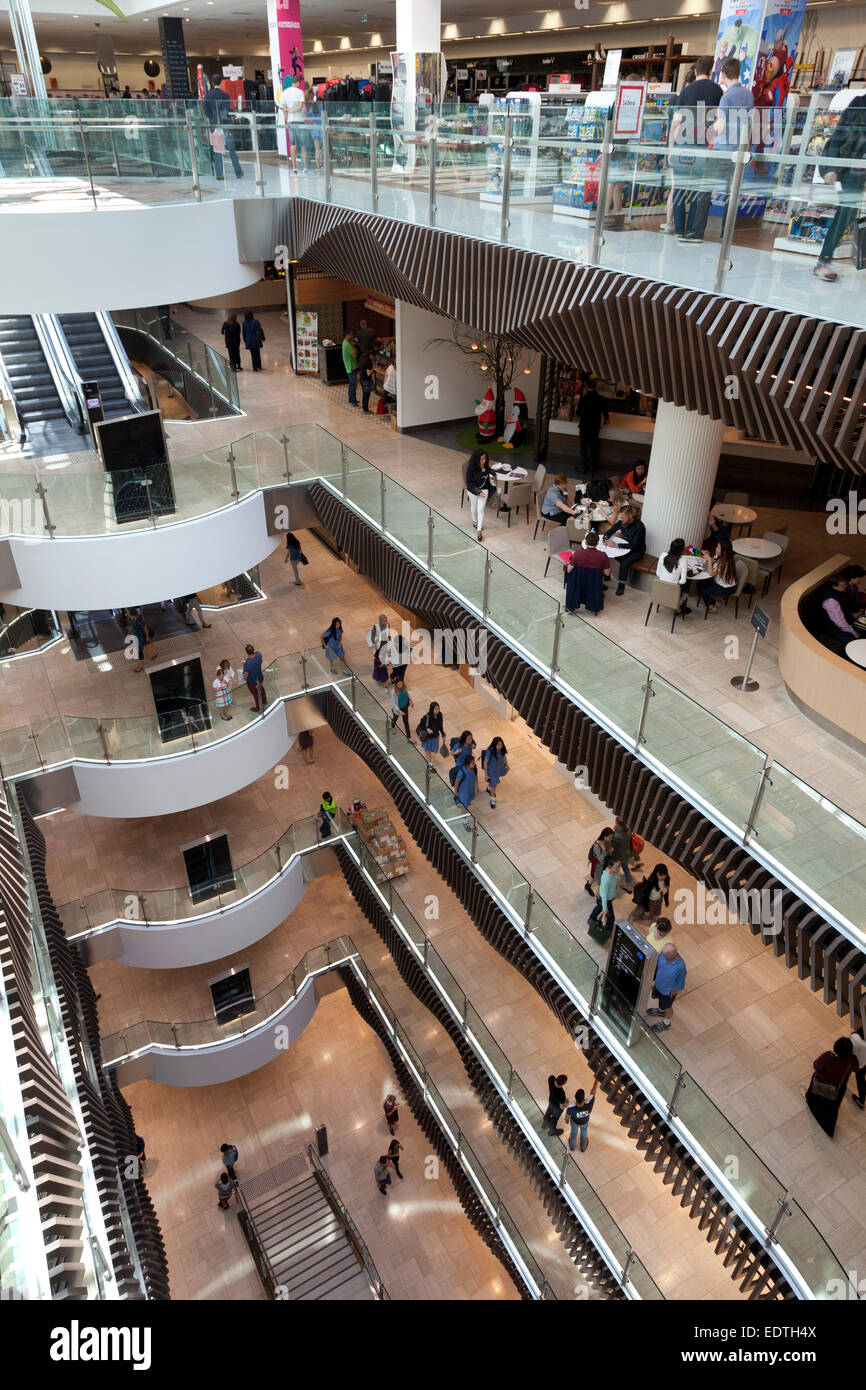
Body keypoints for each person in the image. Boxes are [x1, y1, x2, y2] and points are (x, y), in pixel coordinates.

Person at [812, 92, 866, 282]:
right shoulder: (859, 104)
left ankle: (823, 261)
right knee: (847, 213)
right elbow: (839, 135)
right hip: (853, 170)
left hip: (859, 170)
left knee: (848, 212)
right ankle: (823, 261)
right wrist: (831, 168)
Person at [669, 56, 723, 244]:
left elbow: (675, 123)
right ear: (711, 70)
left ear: (696, 71)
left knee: (680, 187)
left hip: (683, 145)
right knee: (699, 189)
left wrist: (670, 149)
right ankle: (693, 229)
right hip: (705, 146)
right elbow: (719, 120)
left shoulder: (686, 91)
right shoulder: (718, 91)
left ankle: (678, 228)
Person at [710, 58, 754, 226]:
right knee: (732, 192)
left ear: (723, 74)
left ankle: (698, 229)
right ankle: (726, 230)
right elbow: (750, 122)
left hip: (722, 150)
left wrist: (710, 126)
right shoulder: (748, 95)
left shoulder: (726, 97)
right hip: (740, 149)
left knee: (706, 188)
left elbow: (719, 127)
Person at [804, 1037, 856, 1137]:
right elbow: (856, 1069)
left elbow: (816, 1065)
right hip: (838, 1089)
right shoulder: (852, 1060)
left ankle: (810, 1100)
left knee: (812, 1098)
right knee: (832, 1109)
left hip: (820, 1084)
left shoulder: (828, 1057)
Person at [203, 76, 244, 179]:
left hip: (214, 126)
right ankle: (238, 172)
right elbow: (227, 110)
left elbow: (206, 112)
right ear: (221, 82)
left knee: (217, 151)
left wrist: (211, 120)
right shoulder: (225, 95)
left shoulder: (208, 96)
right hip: (225, 125)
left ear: (212, 83)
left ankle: (219, 175)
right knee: (231, 150)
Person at [603, 504, 647, 596]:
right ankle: (606, 576)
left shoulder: (639, 526)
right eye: (620, 517)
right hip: (624, 547)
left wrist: (617, 545)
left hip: (637, 551)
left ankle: (621, 585)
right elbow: (611, 530)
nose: (621, 519)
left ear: (630, 515)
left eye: (623, 517)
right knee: (605, 553)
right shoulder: (621, 522)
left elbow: (635, 545)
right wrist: (605, 537)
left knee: (624, 562)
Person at [565, 532, 610, 616]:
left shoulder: (578, 553)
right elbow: (607, 573)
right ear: (597, 543)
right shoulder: (603, 556)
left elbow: (568, 570)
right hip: (594, 584)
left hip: (578, 583)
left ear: (585, 543)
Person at [647, 942, 687, 1032]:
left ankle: (666, 1023)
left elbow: (680, 982)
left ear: (672, 955)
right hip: (658, 985)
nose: (662, 955)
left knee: (667, 1007)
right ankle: (661, 1011)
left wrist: (673, 992)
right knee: (660, 1003)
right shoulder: (663, 955)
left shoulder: (680, 967)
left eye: (665, 955)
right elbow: (657, 966)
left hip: (667, 992)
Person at [464, 448, 501, 543]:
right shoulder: (471, 468)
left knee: (480, 510)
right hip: (473, 490)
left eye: (484, 458)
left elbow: (488, 470)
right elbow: (469, 483)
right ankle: (475, 522)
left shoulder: (485, 466)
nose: (483, 461)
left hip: (484, 490)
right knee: (474, 507)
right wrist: (477, 491)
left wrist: (493, 473)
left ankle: (479, 530)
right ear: (476, 459)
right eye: (481, 459)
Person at [575, 379, 610, 476]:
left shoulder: (584, 398)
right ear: (595, 387)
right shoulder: (600, 398)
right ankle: (592, 468)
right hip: (595, 426)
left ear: (587, 387)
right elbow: (605, 412)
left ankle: (583, 467)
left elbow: (578, 413)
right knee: (593, 447)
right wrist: (606, 419)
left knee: (583, 448)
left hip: (584, 426)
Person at [697, 539, 738, 614]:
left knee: (703, 591)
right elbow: (713, 560)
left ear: (724, 551)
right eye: (717, 546)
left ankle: (711, 607)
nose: (716, 548)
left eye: (718, 548)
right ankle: (713, 602)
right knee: (700, 583)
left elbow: (711, 573)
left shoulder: (725, 563)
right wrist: (709, 556)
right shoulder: (720, 555)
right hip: (719, 581)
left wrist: (709, 560)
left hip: (726, 588)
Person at [657, 538, 692, 617]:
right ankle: (678, 606)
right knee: (686, 587)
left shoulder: (663, 555)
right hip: (673, 592)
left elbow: (658, 573)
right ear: (682, 550)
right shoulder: (683, 560)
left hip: (659, 590)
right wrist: (677, 582)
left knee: (680, 585)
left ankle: (677, 606)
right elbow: (683, 581)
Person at [588, 855, 621, 936]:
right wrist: (605, 909)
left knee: (599, 908)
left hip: (609, 898)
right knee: (609, 915)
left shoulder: (615, 873)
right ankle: (608, 930)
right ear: (610, 866)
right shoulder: (606, 878)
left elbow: (617, 880)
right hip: (605, 899)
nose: (619, 869)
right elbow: (604, 895)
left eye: (619, 866)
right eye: (617, 867)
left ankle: (591, 918)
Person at [279, 73, 305, 172]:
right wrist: (293, 110)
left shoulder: (284, 93)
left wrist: (287, 118)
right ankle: (305, 166)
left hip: (290, 121)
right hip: (300, 121)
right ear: (297, 82)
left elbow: (284, 109)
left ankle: (294, 167)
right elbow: (301, 106)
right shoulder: (300, 92)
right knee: (302, 144)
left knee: (293, 144)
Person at [566, 1079, 599, 1153]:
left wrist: (567, 1120)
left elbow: (567, 1116)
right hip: (584, 1122)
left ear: (575, 1098)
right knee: (584, 1132)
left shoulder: (571, 1107)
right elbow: (593, 1091)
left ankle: (572, 1146)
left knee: (573, 1133)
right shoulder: (589, 1103)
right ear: (584, 1098)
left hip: (574, 1122)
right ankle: (583, 1147)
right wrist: (597, 1080)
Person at [612, 816, 641, 891]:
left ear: (617, 823)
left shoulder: (616, 835)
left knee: (616, 870)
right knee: (626, 869)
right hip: (627, 853)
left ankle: (613, 886)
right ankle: (629, 885)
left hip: (619, 855)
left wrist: (613, 831)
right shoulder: (629, 830)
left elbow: (612, 845)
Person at [585, 827, 614, 898]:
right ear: (605, 836)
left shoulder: (608, 842)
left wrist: (610, 852)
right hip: (598, 864)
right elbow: (600, 859)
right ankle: (599, 897)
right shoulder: (596, 845)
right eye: (610, 837)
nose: (611, 839)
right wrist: (604, 850)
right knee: (599, 879)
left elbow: (608, 853)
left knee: (595, 877)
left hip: (604, 864)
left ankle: (588, 886)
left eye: (612, 837)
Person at [481, 736, 508, 809]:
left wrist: (507, 764)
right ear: (494, 744)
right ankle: (492, 800)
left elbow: (504, 756)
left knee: (492, 783)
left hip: (498, 767)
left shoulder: (502, 749)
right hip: (491, 770)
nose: (500, 746)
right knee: (494, 784)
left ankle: (489, 789)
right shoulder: (490, 751)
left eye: (501, 744)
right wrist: (486, 774)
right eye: (498, 745)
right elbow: (485, 762)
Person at [242, 643, 268, 711]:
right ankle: (264, 700)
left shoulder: (247, 663)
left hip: (252, 681)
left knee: (256, 694)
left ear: (247, 652)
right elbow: (261, 661)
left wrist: (243, 665)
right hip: (260, 677)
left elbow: (245, 675)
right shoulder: (258, 654)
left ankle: (258, 707)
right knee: (261, 688)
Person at [454, 754, 477, 828]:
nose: (474, 764)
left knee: (466, 803)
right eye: (472, 763)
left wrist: (477, 785)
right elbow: (457, 782)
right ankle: (464, 820)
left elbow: (475, 776)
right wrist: (456, 791)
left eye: (474, 762)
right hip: (463, 791)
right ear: (467, 764)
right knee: (464, 806)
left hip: (470, 789)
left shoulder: (473, 769)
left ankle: (462, 806)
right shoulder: (462, 772)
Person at [127, 608, 154, 673]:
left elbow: (145, 629)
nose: (127, 613)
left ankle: (140, 666)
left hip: (141, 638)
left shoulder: (140, 620)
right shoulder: (132, 619)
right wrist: (129, 633)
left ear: (131, 614)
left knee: (140, 652)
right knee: (144, 648)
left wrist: (147, 637)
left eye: (127, 612)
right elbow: (131, 627)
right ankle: (152, 655)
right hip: (136, 638)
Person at [850, 1027, 866, 1112]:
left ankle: (861, 1100)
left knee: (860, 1078)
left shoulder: (856, 1037)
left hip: (861, 1062)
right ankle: (861, 1101)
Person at [342, 330, 358, 407]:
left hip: (351, 366)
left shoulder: (347, 342)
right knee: (353, 384)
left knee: (352, 384)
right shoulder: (347, 345)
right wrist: (354, 349)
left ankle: (351, 398)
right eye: (351, 334)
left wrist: (354, 349)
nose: (352, 336)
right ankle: (353, 401)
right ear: (347, 335)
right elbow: (355, 354)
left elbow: (355, 351)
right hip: (351, 367)